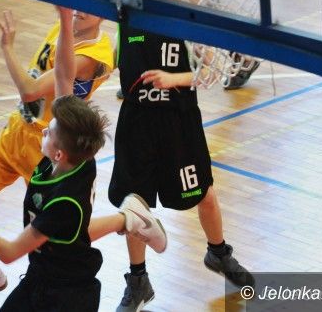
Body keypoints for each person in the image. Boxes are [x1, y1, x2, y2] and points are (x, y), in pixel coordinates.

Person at [0, 7, 167, 311]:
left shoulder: (62, 197)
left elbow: (10, 252)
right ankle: (127, 218)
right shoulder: (65, 156)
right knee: (64, 230)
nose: (46, 128)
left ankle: (127, 219)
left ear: (57, 151)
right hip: (38, 279)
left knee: (63, 230)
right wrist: (64, 18)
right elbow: (63, 76)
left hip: (68, 294)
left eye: (49, 131)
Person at [109, 19, 255, 312]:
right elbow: (107, 64)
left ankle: (218, 253)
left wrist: (174, 79)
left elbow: (213, 73)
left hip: (179, 121)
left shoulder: (183, 23)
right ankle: (138, 280)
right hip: (137, 124)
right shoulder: (126, 23)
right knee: (134, 206)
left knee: (204, 194)